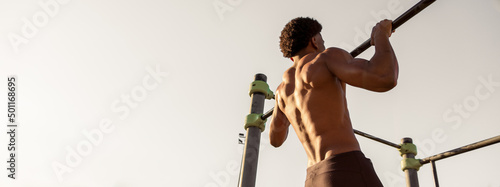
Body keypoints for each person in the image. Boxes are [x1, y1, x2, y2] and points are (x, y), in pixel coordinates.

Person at [269, 17, 398, 187]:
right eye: (322, 39)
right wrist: (381, 35)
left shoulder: (281, 92)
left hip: (313, 178)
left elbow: (275, 139)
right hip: (344, 166)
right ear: (314, 41)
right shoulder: (326, 58)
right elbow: (385, 77)